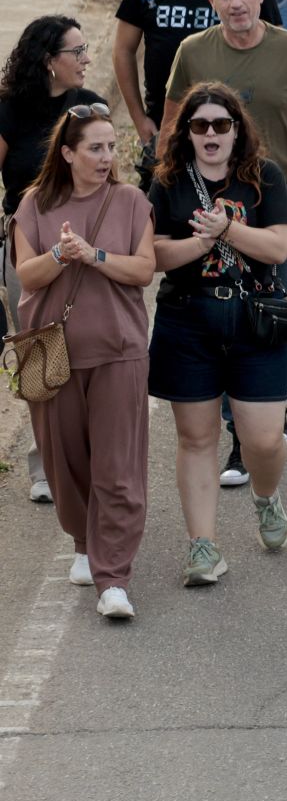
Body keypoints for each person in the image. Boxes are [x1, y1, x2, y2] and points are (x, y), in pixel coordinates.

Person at [164, 0, 287, 485]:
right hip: (206, 206)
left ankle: (265, 406)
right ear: (211, 0)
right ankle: (243, 430)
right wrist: (162, 200)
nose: (236, 3)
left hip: (277, 204)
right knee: (217, 317)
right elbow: (172, 130)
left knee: (280, 313)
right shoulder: (193, 52)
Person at [146, 83, 287, 586]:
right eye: (199, 125)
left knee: (264, 440)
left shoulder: (263, 178)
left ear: (237, 130)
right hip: (188, 319)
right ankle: (203, 548)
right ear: (186, 133)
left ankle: (266, 497)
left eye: (221, 125)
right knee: (196, 437)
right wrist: (202, 240)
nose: (211, 134)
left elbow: (277, 248)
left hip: (254, 322)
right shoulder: (168, 181)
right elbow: (156, 257)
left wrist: (227, 230)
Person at [10, 103, 154, 618]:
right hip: (53, 354)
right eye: (95, 147)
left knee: (118, 467)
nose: (106, 157)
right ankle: (82, 542)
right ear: (67, 153)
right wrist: (58, 255)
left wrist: (93, 255)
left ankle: (113, 577)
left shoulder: (132, 200)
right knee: (65, 462)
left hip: (119, 352)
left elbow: (143, 270)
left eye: (112, 146)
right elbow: (26, 277)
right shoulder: (33, 205)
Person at [0, 13, 109, 502]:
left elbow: (107, 169)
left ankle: (87, 453)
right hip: (28, 243)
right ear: (49, 62)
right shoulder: (9, 110)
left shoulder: (88, 107)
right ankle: (44, 466)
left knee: (86, 349)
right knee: (41, 352)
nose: (87, 59)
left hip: (85, 243)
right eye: (77, 52)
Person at [114, 0, 282, 189]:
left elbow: (276, 46)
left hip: (232, 133)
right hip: (169, 129)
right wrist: (139, 119)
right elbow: (122, 50)